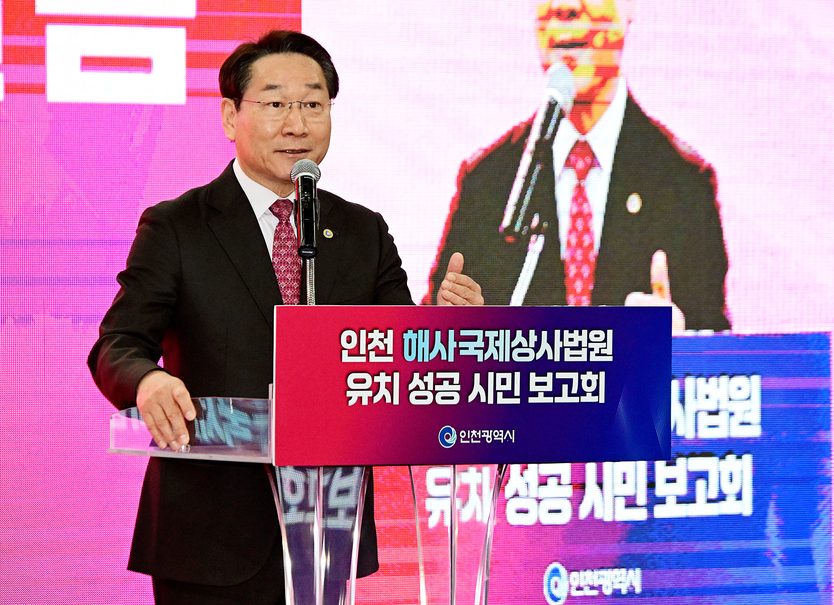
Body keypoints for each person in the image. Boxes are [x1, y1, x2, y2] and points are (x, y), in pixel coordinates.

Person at [88, 30, 483, 605]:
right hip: (208, 533)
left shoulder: (362, 231)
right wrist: (146, 380)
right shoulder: (177, 226)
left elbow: (399, 354)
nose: (296, 124)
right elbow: (117, 342)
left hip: (328, 529)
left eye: (313, 104)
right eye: (275, 104)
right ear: (231, 116)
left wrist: (444, 329)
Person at [426, 0, 730, 332]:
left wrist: (681, 344)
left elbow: (718, 348)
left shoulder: (683, 183)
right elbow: (434, 335)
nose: (564, 6)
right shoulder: (489, 180)